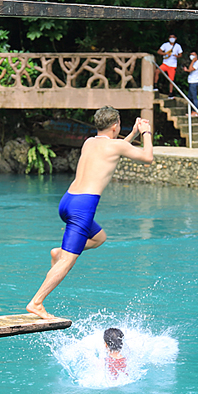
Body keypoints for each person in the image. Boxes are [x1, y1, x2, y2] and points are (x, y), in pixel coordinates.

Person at [26, 106, 153, 319]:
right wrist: (146, 132)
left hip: (68, 201)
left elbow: (117, 146)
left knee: (99, 237)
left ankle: (60, 252)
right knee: (68, 261)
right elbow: (147, 157)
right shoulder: (116, 146)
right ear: (115, 126)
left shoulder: (89, 142)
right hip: (83, 209)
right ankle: (37, 302)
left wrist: (133, 134)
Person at [183, 51, 198, 117]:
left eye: (193, 55)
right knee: (190, 97)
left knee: (194, 97)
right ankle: (191, 111)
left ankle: (195, 111)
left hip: (194, 82)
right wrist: (186, 70)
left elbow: (190, 69)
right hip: (191, 82)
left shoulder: (197, 63)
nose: (192, 56)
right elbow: (190, 70)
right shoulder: (195, 63)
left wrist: (193, 61)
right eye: (191, 55)